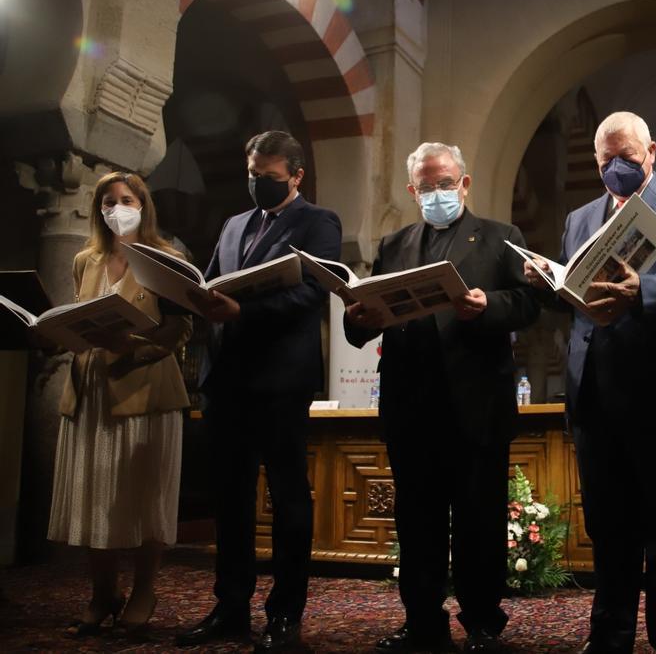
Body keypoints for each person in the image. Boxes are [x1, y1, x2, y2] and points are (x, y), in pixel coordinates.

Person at [524, 111, 656, 654]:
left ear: (651, 152)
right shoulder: (580, 218)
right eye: (606, 159)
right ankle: (609, 634)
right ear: (595, 160)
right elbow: (577, 294)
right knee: (608, 528)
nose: (616, 167)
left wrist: (646, 290)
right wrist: (547, 283)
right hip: (595, 392)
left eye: (627, 158)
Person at [344, 142, 540, 654]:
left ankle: (481, 622)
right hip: (412, 405)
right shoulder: (393, 244)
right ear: (413, 191)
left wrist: (488, 304)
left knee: (480, 518)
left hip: (477, 405)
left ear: (465, 183)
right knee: (418, 521)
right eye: (427, 186)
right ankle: (422, 622)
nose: (437, 193)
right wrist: (356, 319)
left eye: (445, 182)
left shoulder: (502, 238)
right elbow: (372, 311)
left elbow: (528, 305)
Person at [176, 130, 342, 651]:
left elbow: (313, 293)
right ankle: (230, 607)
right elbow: (209, 285)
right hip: (225, 382)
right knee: (230, 499)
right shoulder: (233, 224)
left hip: (279, 382)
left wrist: (243, 310)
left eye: (268, 178)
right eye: (252, 176)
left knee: (288, 498)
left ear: (296, 176)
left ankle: (285, 614)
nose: (257, 185)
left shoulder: (319, 223)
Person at [48, 171, 192, 638]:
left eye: (126, 199)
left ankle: (144, 590)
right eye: (107, 201)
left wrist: (131, 345)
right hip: (90, 389)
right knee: (95, 497)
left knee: (144, 496)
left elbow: (178, 331)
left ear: (143, 205)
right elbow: (79, 316)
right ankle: (102, 592)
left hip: (144, 387)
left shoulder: (165, 258)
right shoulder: (84, 260)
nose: (116, 208)